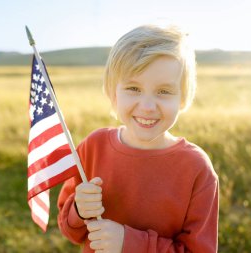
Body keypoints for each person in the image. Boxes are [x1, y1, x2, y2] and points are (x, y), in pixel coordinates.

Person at [57, 24, 219, 253]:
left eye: (164, 91)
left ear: (183, 98)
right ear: (113, 94)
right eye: (133, 88)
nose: (147, 106)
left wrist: (129, 243)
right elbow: (70, 230)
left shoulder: (196, 169)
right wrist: (78, 211)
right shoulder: (93, 147)